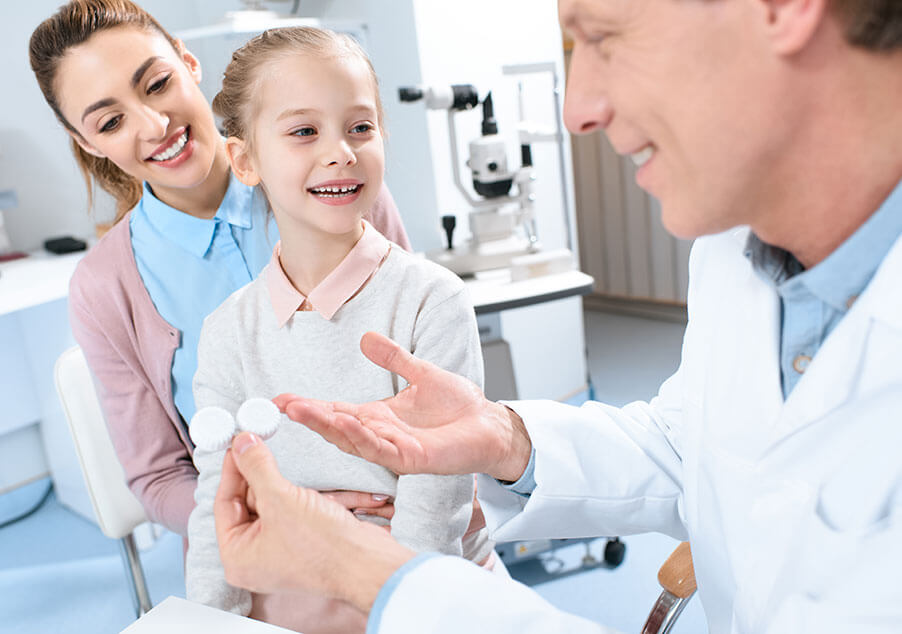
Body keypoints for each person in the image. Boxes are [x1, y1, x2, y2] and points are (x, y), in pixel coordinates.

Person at [212, 0, 902, 632]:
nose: (576, 112)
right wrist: (507, 440)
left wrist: (365, 573)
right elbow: (691, 446)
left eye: (603, 37)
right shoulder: (735, 254)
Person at [27, 0, 411, 537]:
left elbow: (418, 365)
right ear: (89, 143)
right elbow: (159, 477)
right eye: (111, 121)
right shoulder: (105, 287)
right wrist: (273, 522)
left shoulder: (335, 180)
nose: (154, 125)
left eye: (157, 84)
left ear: (188, 64)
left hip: (399, 507)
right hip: (259, 547)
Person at [184, 27, 498, 632]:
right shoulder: (228, 330)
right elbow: (214, 503)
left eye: (360, 127)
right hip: (292, 586)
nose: (342, 152)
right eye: (304, 131)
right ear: (245, 161)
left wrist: (401, 609)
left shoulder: (431, 300)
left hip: (417, 591)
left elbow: (435, 502)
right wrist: (210, 620)